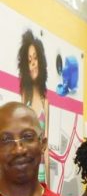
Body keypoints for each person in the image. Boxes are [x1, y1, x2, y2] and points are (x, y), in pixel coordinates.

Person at [18, 29, 49, 186]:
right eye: (29, 60)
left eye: (35, 58)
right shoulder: (25, 98)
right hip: (25, 170)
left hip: (40, 171)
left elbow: (46, 147)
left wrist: (48, 186)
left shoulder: (45, 102)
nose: (33, 64)